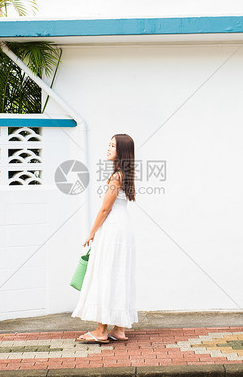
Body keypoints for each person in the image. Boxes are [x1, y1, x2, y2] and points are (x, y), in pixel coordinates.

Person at [72, 134, 137, 344]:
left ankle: (101, 331)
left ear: (122, 151)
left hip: (113, 230)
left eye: (113, 145)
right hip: (122, 229)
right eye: (108, 144)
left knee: (106, 272)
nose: (108, 148)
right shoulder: (124, 174)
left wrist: (91, 232)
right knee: (118, 273)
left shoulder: (117, 176)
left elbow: (105, 209)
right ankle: (119, 329)